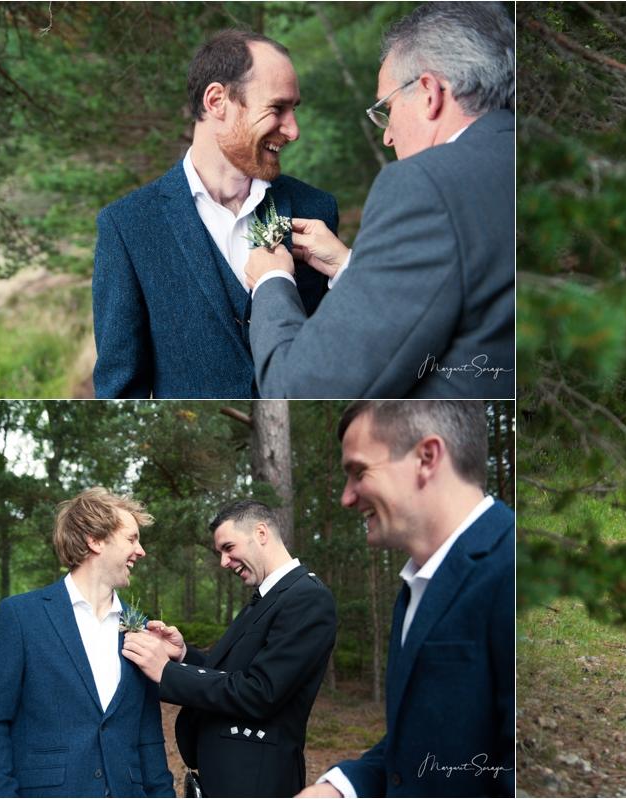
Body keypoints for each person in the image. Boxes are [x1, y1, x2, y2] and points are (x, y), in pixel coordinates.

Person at [244, 3, 514, 398]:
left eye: (386, 110)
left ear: (428, 93)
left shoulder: (425, 184)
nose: (387, 138)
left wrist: (271, 281)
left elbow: (301, 387)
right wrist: (350, 267)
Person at [93, 29, 337, 399]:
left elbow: (339, 356)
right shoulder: (127, 227)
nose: (293, 130)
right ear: (217, 100)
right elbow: (120, 391)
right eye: (277, 108)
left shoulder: (316, 209)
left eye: (294, 110)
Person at [295, 401, 513, 797]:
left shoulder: (511, 567)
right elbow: (421, 746)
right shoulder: (417, 585)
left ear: (426, 457)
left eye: (358, 472)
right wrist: (340, 789)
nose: (346, 497)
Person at [0, 488, 174, 797]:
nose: (140, 551)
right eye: (132, 539)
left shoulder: (140, 627)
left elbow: (148, 733)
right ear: (95, 539)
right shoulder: (21, 616)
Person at [121, 499, 338, 797]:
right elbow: (236, 671)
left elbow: (261, 692)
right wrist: (184, 655)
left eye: (228, 547)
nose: (224, 562)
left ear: (261, 533)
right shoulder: (268, 596)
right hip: (231, 777)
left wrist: (167, 673)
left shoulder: (307, 598)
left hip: (256, 783)